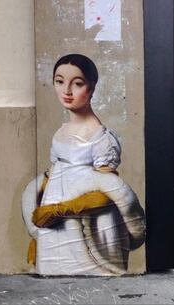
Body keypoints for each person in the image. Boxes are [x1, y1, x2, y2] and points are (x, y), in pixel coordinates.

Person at [21, 54, 145, 275]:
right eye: (59, 81)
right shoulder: (60, 132)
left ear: (92, 87)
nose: (67, 91)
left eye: (77, 83)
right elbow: (52, 177)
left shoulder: (101, 138)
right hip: (52, 224)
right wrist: (38, 232)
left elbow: (109, 191)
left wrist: (59, 210)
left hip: (90, 225)